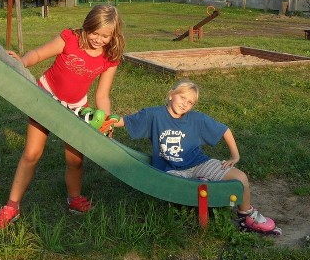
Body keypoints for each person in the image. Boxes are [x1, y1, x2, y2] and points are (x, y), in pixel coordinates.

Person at [0, 4, 125, 227]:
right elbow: (38, 54)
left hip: (76, 108)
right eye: (94, 32)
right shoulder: (70, 39)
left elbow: (102, 95)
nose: (98, 39)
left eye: (105, 36)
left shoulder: (109, 58)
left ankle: (74, 199)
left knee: (75, 160)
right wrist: (21, 62)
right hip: (46, 98)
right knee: (32, 154)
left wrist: (105, 120)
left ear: (113, 35)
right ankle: (12, 206)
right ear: (86, 27)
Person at [113, 79, 278, 234]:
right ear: (170, 94)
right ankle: (200, 183)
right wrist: (105, 122)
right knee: (183, 189)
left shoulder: (196, 119)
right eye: (182, 97)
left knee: (241, 178)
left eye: (190, 102)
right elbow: (125, 121)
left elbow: (224, 130)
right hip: (170, 170)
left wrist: (235, 156)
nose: (185, 103)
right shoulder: (154, 115)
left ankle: (245, 216)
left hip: (198, 163)